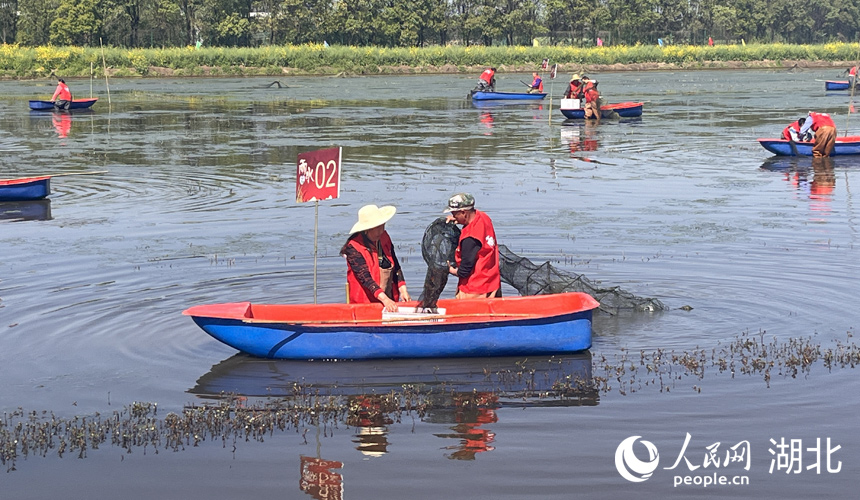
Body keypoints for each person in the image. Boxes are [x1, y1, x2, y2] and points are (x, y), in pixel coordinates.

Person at [341, 204, 410, 312]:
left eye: (382, 226)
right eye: (376, 228)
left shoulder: (384, 237)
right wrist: (385, 299)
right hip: (364, 303)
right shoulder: (353, 248)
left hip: (388, 296)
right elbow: (365, 278)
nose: (380, 231)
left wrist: (402, 288)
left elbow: (395, 264)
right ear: (366, 229)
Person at [444, 193, 501, 299]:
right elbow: (472, 220)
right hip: (492, 283)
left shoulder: (469, 239)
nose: (453, 216)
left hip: (474, 290)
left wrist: (450, 270)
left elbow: (464, 271)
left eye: (455, 213)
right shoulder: (483, 217)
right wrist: (458, 220)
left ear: (463, 212)